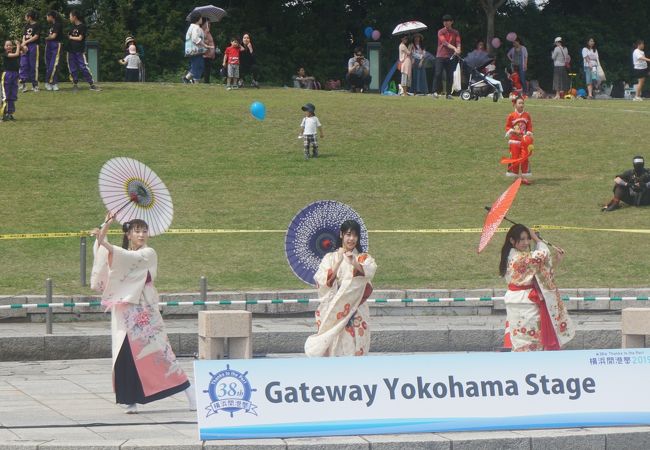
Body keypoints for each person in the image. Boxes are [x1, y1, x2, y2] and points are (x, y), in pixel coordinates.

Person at [91, 214, 196, 414]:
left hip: (143, 311)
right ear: (129, 235)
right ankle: (130, 400)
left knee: (161, 353)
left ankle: (190, 392)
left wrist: (105, 242)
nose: (141, 234)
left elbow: (126, 258)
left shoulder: (149, 253)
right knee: (125, 356)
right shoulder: (125, 253)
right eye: (137, 231)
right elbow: (106, 258)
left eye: (144, 231)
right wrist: (104, 230)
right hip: (124, 311)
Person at [305, 220, 377, 357]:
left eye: (355, 235)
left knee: (355, 344)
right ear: (341, 235)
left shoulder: (363, 258)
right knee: (334, 345)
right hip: (336, 308)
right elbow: (323, 282)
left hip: (356, 309)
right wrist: (338, 262)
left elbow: (368, 274)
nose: (351, 239)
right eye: (348, 234)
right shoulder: (330, 258)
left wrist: (354, 263)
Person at [500, 224, 574, 352]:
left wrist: (556, 260)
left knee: (524, 339)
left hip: (520, 300)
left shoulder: (513, 256)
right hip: (525, 301)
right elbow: (542, 255)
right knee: (528, 340)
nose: (526, 242)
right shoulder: (519, 258)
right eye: (522, 239)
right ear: (512, 240)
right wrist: (537, 239)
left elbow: (540, 273)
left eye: (528, 238)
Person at [67, 10, 100, 91]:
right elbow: (68, 36)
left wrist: (71, 37)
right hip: (71, 51)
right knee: (72, 68)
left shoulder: (82, 26)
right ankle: (75, 84)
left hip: (79, 51)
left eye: (70, 16)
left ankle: (92, 84)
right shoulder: (71, 27)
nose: (69, 18)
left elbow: (80, 38)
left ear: (74, 17)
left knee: (83, 67)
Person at [504, 95, 533, 184]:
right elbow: (508, 127)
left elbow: (529, 126)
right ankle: (515, 177)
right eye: (519, 103)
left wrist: (529, 132)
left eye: (522, 103)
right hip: (514, 141)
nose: (521, 105)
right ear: (515, 105)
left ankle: (524, 177)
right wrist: (511, 130)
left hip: (524, 142)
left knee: (524, 158)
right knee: (515, 158)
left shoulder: (527, 115)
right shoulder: (511, 116)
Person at [431, 14, 461, 99]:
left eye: (447, 21)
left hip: (451, 57)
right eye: (444, 21)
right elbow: (444, 43)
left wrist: (458, 49)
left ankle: (448, 94)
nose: (446, 23)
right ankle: (434, 92)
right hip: (440, 56)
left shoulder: (456, 32)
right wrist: (455, 48)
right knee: (438, 73)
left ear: (452, 22)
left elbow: (458, 42)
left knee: (450, 75)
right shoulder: (440, 31)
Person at [183, 13, 209, 84]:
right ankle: (192, 79)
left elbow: (198, 38)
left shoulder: (195, 27)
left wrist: (205, 33)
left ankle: (190, 79)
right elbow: (195, 38)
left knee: (199, 65)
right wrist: (204, 44)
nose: (201, 19)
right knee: (197, 65)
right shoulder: (195, 27)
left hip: (195, 50)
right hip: (194, 50)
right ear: (197, 19)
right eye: (200, 18)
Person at [19, 10, 40, 93]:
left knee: (33, 66)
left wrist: (26, 42)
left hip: (33, 46)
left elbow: (36, 36)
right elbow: (24, 36)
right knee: (23, 64)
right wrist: (23, 45)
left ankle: (35, 85)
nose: (25, 18)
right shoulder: (26, 25)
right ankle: (23, 84)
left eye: (26, 16)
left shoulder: (37, 25)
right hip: (25, 46)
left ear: (30, 17)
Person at [1, 40, 21, 122]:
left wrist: (21, 45)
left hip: (15, 75)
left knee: (12, 95)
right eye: (7, 45)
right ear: (4, 47)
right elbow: (16, 54)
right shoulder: (5, 54)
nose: (9, 47)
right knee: (5, 95)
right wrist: (18, 45)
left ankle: (10, 113)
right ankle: (2, 114)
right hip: (7, 75)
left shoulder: (16, 52)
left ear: (13, 47)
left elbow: (25, 50)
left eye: (10, 45)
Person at [44, 11, 63, 91]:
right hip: (49, 45)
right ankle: (53, 83)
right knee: (49, 65)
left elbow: (53, 36)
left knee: (54, 65)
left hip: (56, 45)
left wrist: (46, 38)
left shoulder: (58, 24)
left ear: (51, 16)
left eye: (47, 16)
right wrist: (48, 38)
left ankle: (49, 82)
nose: (47, 18)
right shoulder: (51, 26)